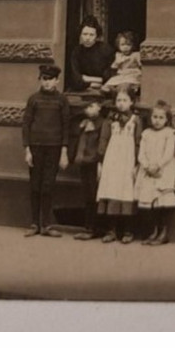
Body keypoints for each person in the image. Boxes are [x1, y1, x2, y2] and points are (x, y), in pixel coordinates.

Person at [21, 63, 69, 237]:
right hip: (36, 147)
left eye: (50, 79)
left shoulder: (62, 100)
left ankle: (47, 225)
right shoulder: (33, 99)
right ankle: (34, 224)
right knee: (35, 186)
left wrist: (64, 152)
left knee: (48, 186)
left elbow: (66, 127)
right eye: (44, 79)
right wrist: (27, 150)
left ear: (57, 80)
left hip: (54, 148)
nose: (47, 83)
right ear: (40, 80)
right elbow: (26, 124)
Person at [135, 100, 175, 246]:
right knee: (151, 203)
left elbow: (168, 153)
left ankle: (163, 233)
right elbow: (141, 154)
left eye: (161, 118)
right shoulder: (146, 133)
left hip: (164, 169)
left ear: (167, 120)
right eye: (154, 117)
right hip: (148, 170)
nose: (157, 121)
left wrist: (157, 165)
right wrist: (146, 166)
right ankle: (154, 231)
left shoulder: (169, 133)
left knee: (162, 203)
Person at [96, 87, 142, 243]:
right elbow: (103, 139)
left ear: (131, 102)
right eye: (118, 100)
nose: (121, 104)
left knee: (126, 190)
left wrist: (136, 162)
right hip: (112, 159)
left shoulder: (136, 120)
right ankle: (111, 229)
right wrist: (101, 161)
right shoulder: (110, 119)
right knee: (111, 189)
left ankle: (128, 230)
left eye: (124, 100)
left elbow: (137, 142)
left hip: (127, 159)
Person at [68, 97, 107, 241]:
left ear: (99, 107)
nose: (88, 110)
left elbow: (102, 144)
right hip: (84, 162)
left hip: (95, 163)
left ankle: (94, 228)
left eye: (92, 106)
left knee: (94, 195)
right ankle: (89, 227)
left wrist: (100, 162)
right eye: (86, 107)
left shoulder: (103, 123)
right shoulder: (83, 123)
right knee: (87, 194)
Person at [69, 15, 113, 91]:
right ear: (80, 34)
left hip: (104, 90)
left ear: (97, 36)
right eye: (85, 34)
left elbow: (109, 76)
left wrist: (85, 78)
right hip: (81, 91)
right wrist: (95, 83)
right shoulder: (76, 51)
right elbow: (75, 78)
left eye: (91, 35)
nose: (88, 38)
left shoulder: (106, 50)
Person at [101, 30, 142, 94]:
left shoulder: (135, 55)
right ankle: (114, 92)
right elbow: (113, 67)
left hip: (132, 75)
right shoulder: (118, 55)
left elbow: (141, 65)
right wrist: (117, 62)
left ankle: (124, 92)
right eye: (122, 45)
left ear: (133, 45)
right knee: (107, 86)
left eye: (128, 45)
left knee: (126, 85)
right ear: (118, 46)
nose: (125, 47)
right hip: (120, 75)